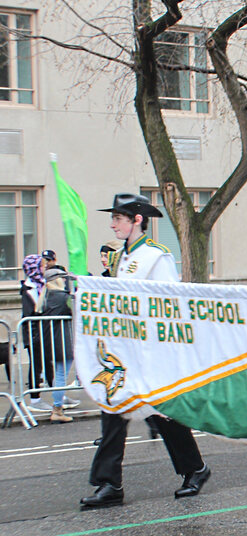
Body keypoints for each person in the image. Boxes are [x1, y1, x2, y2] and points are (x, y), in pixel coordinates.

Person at [81, 193, 211, 508]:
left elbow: (168, 305)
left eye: (118, 219)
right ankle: (110, 484)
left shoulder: (156, 256)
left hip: (151, 352)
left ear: (137, 220)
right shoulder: (121, 257)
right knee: (113, 409)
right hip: (124, 352)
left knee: (163, 413)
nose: (112, 225)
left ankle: (195, 468)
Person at [37, 266, 74, 423]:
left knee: (59, 375)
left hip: (51, 341)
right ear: (57, 280)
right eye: (63, 278)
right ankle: (57, 408)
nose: (65, 281)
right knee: (61, 376)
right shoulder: (61, 297)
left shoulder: (45, 296)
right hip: (62, 341)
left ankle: (57, 407)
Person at [20, 254, 55, 413]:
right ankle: (35, 399)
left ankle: (57, 394)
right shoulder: (29, 289)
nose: (44, 269)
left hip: (44, 333)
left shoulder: (42, 285)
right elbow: (30, 314)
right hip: (35, 334)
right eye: (41, 266)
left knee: (48, 363)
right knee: (36, 365)